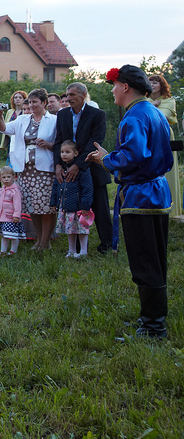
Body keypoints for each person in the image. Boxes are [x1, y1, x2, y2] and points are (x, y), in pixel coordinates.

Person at [88, 65, 173, 339]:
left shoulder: (135, 116)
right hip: (155, 190)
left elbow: (134, 155)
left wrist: (106, 160)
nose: (112, 90)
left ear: (125, 86)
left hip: (141, 195)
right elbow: (145, 153)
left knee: (145, 259)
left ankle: (153, 328)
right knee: (155, 258)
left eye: (114, 85)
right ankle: (151, 319)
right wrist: (112, 155)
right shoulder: (153, 112)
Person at [53, 82, 113, 254]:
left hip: (92, 167)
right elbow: (59, 141)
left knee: (100, 208)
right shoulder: (62, 114)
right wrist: (58, 164)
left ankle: (107, 245)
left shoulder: (97, 114)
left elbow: (95, 142)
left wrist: (78, 166)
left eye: (72, 95)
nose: (68, 98)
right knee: (74, 207)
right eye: (67, 95)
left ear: (83, 94)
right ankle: (77, 247)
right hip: (67, 170)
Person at [0, 88, 58, 251]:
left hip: (45, 170)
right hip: (25, 170)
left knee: (46, 207)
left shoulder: (53, 120)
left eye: (35, 102)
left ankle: (46, 241)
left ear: (44, 103)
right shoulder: (23, 119)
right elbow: (4, 129)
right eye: (29, 102)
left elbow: (61, 143)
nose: (31, 105)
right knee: (32, 207)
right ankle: (38, 239)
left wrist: (49, 145)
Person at [49, 140, 93, 258]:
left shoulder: (82, 170)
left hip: (79, 207)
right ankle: (71, 251)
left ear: (76, 153)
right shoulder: (61, 170)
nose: (64, 154)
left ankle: (83, 252)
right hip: (66, 207)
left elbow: (87, 188)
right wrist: (53, 202)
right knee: (70, 230)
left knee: (81, 229)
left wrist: (85, 205)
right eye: (62, 152)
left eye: (67, 152)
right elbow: (55, 187)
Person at [149, 74, 181, 218]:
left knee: (168, 172)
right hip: (149, 137)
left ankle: (171, 209)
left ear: (162, 85)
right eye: (149, 82)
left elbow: (162, 116)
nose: (152, 85)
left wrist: (151, 108)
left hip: (165, 135)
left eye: (155, 82)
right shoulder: (145, 100)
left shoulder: (169, 100)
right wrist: (152, 105)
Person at [0, 166, 24, 256]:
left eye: (8, 177)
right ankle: (3, 251)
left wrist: (16, 215)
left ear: (13, 177)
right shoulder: (3, 190)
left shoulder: (15, 191)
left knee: (13, 235)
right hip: (2, 218)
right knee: (4, 235)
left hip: (11, 217)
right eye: (4, 177)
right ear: (1, 179)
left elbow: (17, 204)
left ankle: (13, 251)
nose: (6, 179)